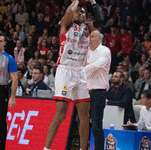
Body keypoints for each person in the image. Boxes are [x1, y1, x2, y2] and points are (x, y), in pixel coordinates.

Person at [44, 0, 103, 150]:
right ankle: (46, 148)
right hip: (65, 71)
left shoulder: (87, 28)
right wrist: (77, 1)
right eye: (78, 11)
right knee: (61, 114)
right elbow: (69, 13)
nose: (80, 13)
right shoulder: (66, 25)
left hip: (80, 72)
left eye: (83, 12)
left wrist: (93, 2)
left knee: (85, 115)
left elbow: (100, 20)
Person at [84, 30, 111, 150]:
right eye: (89, 37)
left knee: (96, 126)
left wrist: (85, 67)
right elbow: (83, 66)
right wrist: (86, 66)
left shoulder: (105, 50)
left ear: (99, 39)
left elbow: (97, 65)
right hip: (84, 91)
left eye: (93, 37)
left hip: (98, 91)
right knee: (82, 124)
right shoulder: (86, 52)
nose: (89, 39)